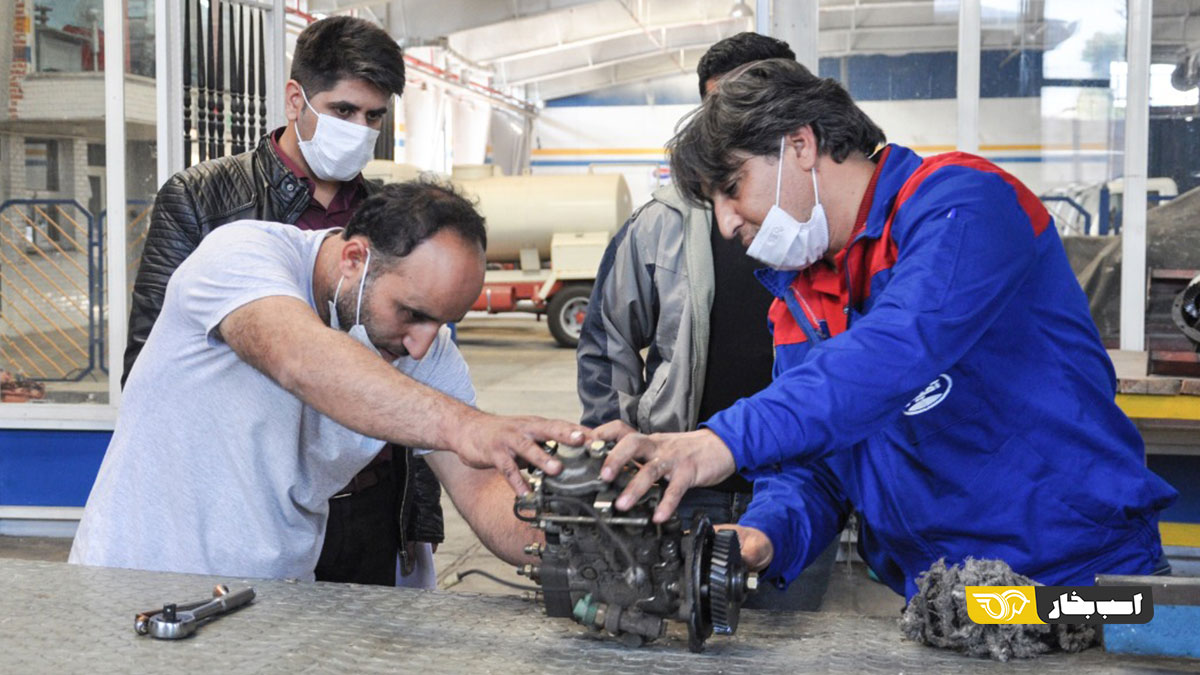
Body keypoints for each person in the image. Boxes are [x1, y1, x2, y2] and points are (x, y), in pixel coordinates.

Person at [595, 58, 1178, 600]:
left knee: (1101, 632)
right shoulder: (800, 300)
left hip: (1083, 583)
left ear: (799, 145)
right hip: (956, 602)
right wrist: (765, 534)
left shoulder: (963, 205)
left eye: (731, 189)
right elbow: (818, 463)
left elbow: (895, 350)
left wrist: (722, 441)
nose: (725, 224)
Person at [70, 180, 582, 579]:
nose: (422, 344)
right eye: (412, 313)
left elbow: (482, 487)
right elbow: (301, 360)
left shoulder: (422, 345)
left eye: (444, 322)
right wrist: (463, 425)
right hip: (140, 579)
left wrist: (588, 547)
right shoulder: (240, 257)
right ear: (355, 258)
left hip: (273, 597)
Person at [125, 16, 443, 586]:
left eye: (373, 117)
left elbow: (418, 367)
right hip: (248, 505)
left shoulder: (389, 219)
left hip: (369, 503)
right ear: (296, 100)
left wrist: (416, 513)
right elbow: (149, 361)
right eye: (343, 110)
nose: (360, 129)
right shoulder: (203, 199)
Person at [576, 32, 835, 611]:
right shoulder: (659, 224)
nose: (732, 125)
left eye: (752, 104)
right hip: (682, 482)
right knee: (672, 628)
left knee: (791, 635)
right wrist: (616, 450)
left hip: (803, 486)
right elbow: (608, 340)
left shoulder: (827, 234)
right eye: (719, 109)